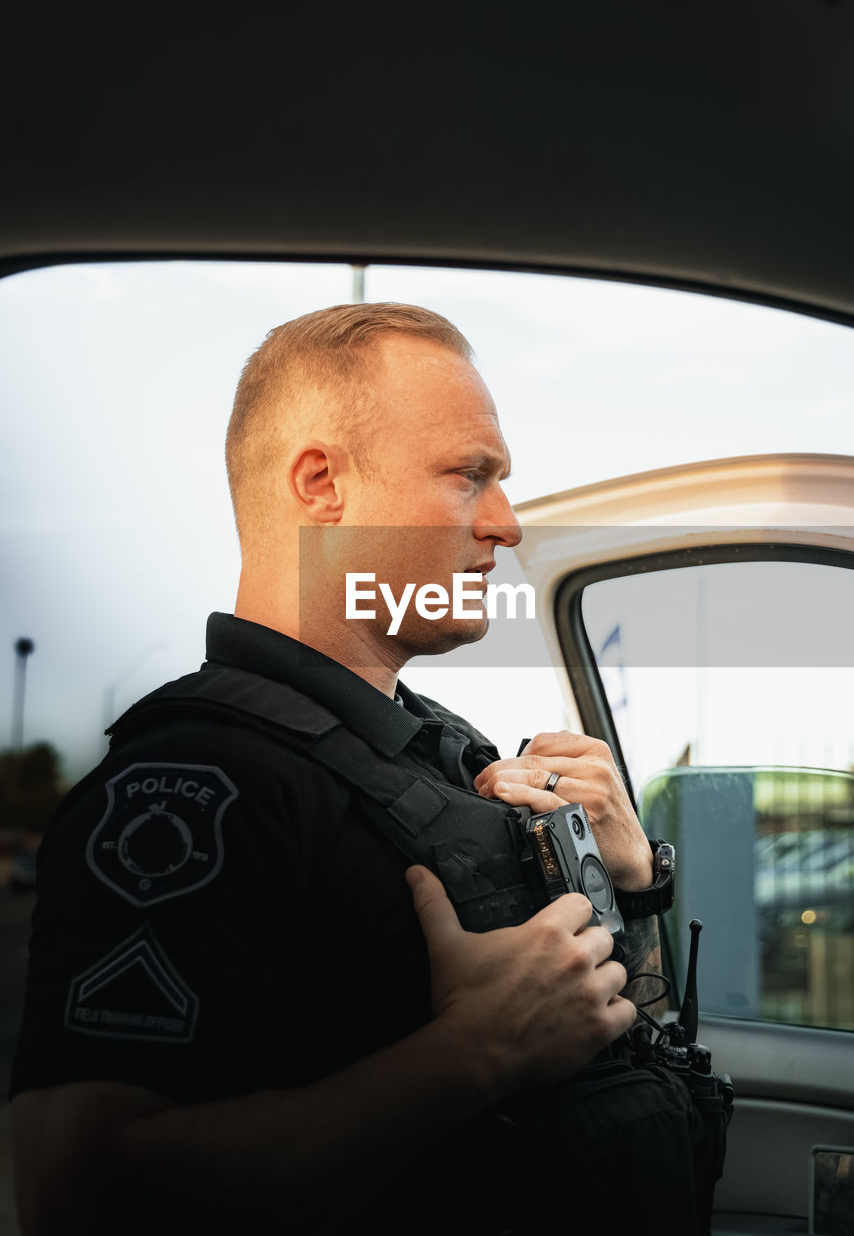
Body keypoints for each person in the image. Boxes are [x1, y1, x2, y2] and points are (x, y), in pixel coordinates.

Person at [10, 304, 665, 1235]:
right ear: (322, 484)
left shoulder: (439, 744)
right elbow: (72, 1191)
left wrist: (632, 882)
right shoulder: (194, 783)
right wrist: (476, 1056)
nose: (505, 524)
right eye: (468, 477)